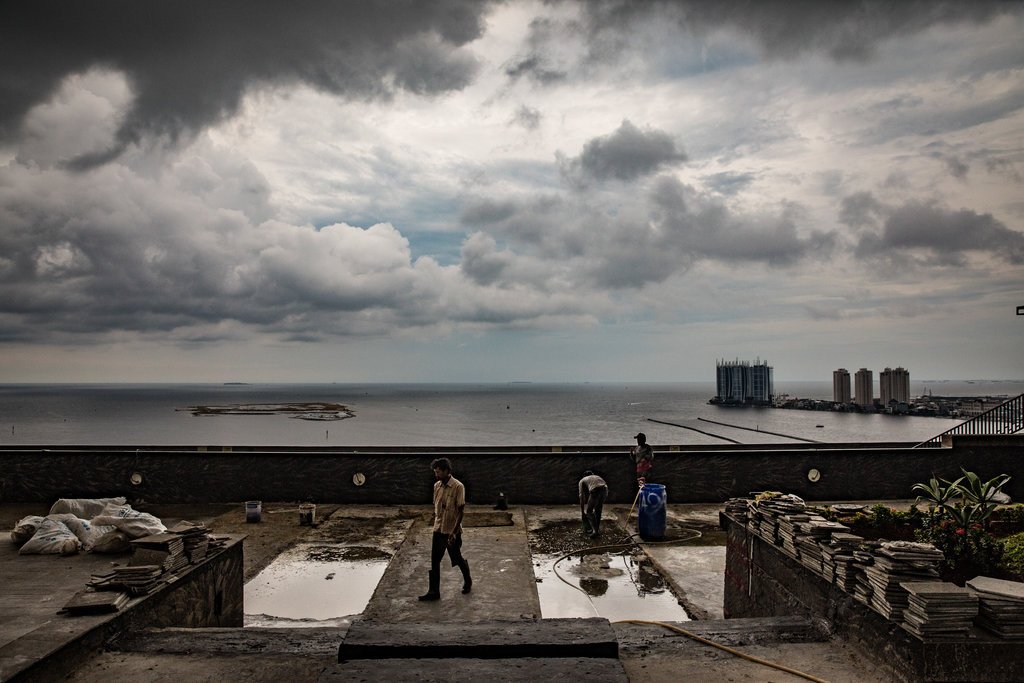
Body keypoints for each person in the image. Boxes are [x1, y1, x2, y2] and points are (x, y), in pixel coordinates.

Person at [418, 457, 472, 601]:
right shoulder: (436, 486)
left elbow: (460, 511)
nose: (436, 475)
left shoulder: (458, 486)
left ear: (447, 471)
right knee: (435, 561)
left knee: (456, 558)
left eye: (439, 472)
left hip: (451, 531)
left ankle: (468, 581)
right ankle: (434, 592)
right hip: (438, 530)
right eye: (435, 472)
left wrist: (454, 533)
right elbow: (436, 508)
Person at [578, 470, 608, 539]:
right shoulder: (596, 477)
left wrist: (582, 512)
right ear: (592, 474)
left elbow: (581, 497)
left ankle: (595, 532)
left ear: (584, 476)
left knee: (589, 511)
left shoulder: (582, 480)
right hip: (605, 489)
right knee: (598, 509)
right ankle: (596, 529)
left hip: (595, 490)